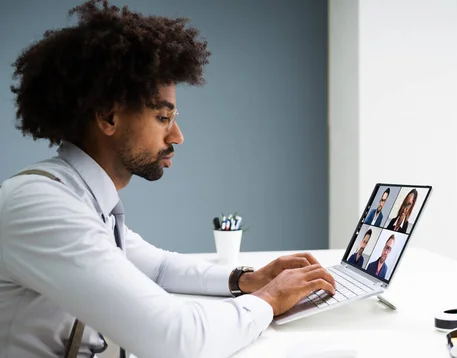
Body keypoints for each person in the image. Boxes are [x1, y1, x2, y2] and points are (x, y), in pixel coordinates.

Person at [0, 1, 336, 357]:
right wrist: (268, 300)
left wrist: (246, 280)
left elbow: (158, 268)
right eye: (163, 117)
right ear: (108, 117)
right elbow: (176, 340)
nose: (177, 136)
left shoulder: (80, 199)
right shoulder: (41, 206)